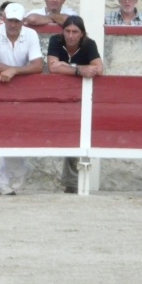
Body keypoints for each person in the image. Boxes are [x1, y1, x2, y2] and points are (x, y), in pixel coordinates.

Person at [0, 2, 44, 195]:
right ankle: (16, 172)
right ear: (4, 19)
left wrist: (14, 71)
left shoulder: (31, 35)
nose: (13, 24)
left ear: (22, 21)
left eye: (17, 21)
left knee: (14, 133)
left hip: (23, 91)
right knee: (7, 132)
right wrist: (13, 71)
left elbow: (38, 66)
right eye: (10, 20)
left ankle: (5, 179)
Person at [47, 15, 104, 193]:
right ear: (62, 32)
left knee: (78, 137)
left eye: (75, 32)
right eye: (68, 31)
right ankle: (72, 183)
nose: (71, 35)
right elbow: (51, 67)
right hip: (55, 97)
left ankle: (72, 183)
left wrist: (65, 67)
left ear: (82, 34)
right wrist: (79, 70)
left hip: (81, 99)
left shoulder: (88, 44)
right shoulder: (56, 40)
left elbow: (99, 69)